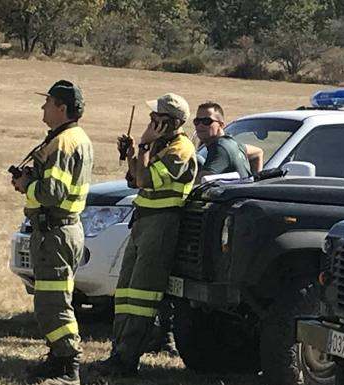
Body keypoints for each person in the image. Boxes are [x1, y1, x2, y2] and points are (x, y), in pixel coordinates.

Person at [93, 93, 197, 377]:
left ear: (172, 122)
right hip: (142, 222)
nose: (151, 120)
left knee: (141, 296)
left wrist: (143, 145)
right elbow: (133, 179)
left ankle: (127, 359)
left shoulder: (180, 148)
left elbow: (146, 179)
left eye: (157, 118)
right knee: (125, 292)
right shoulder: (159, 145)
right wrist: (132, 154)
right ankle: (118, 351)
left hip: (161, 225)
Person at [11, 80, 93, 385]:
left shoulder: (63, 143)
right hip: (61, 231)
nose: (42, 108)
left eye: (47, 103)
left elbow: (53, 193)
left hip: (56, 233)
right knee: (50, 299)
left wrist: (26, 185)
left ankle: (69, 367)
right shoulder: (72, 138)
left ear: (62, 108)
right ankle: (57, 359)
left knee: (54, 302)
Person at [194, 101, 262, 183]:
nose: (200, 125)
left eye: (206, 121)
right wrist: (256, 181)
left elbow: (201, 181)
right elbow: (257, 152)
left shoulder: (220, 148)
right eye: (197, 121)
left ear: (221, 125)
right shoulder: (231, 143)